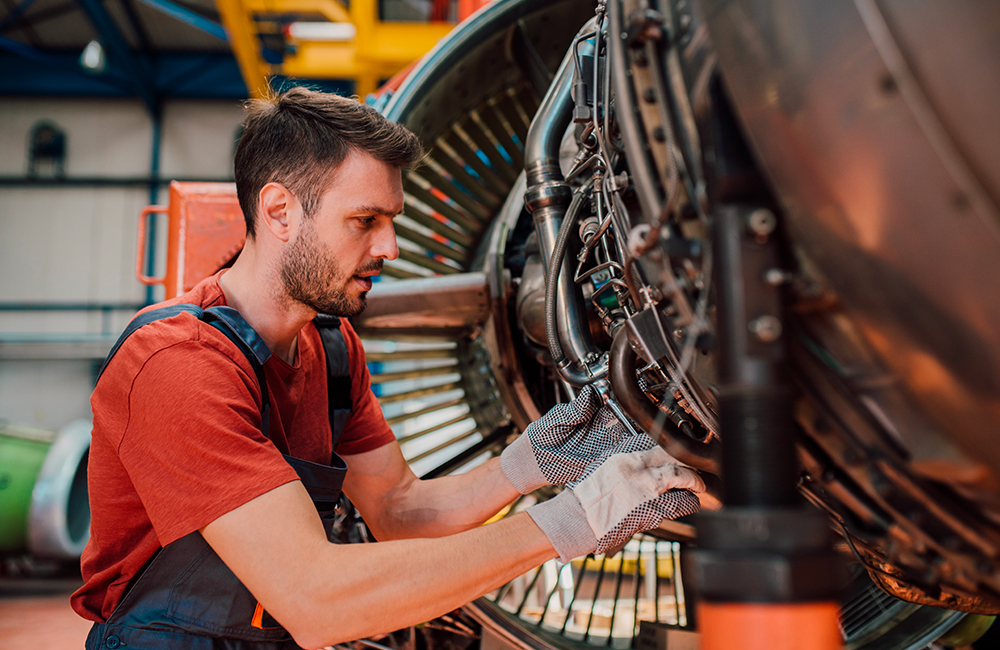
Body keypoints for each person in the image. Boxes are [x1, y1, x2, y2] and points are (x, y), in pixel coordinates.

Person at [72, 86, 707, 650]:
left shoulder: (333, 349)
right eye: (364, 221)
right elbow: (318, 600)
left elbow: (401, 510)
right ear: (278, 210)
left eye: (392, 222)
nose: (390, 248)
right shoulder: (177, 363)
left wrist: (537, 459)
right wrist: (574, 520)